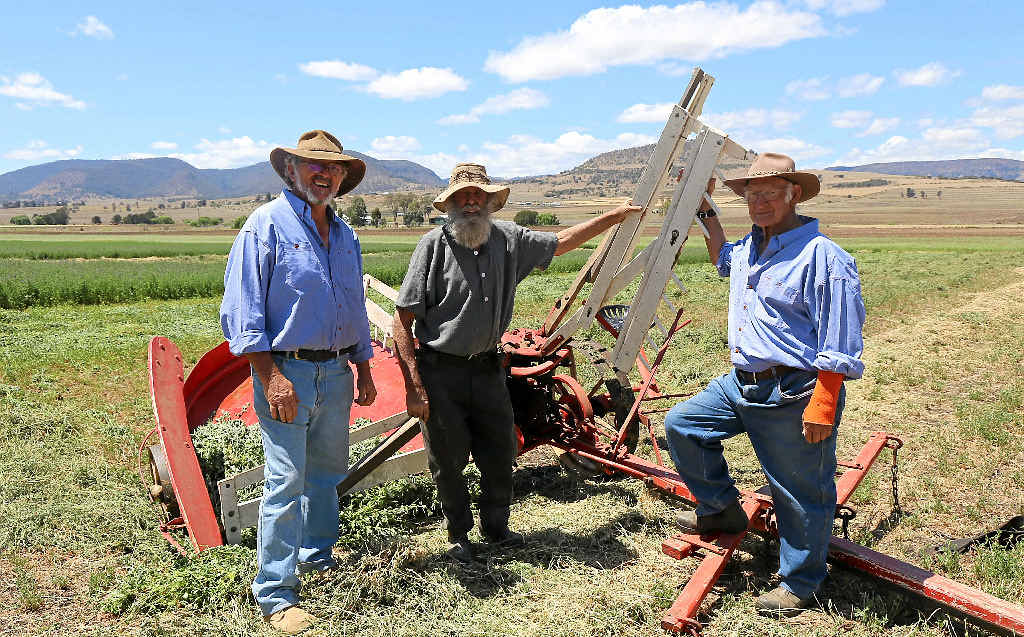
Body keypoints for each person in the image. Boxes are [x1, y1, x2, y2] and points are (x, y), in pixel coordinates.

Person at [392, 163, 641, 563]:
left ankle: (496, 528)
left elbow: (560, 242)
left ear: (490, 202)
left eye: (478, 195)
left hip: (490, 369)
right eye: (462, 196)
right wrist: (413, 386)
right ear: (451, 204)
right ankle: (459, 535)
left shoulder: (508, 240)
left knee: (500, 448)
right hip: (441, 371)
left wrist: (613, 216)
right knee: (448, 459)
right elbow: (401, 322)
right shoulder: (432, 247)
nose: (470, 202)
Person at [664, 153, 865, 615]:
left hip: (794, 390)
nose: (759, 202)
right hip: (741, 383)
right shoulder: (750, 249)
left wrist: (825, 401)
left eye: (770, 193)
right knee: (683, 426)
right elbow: (721, 259)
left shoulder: (823, 257)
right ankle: (720, 510)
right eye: (752, 194)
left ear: (794, 194)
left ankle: (802, 582)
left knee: (800, 493)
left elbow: (840, 335)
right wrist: (705, 209)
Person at [220, 130, 377, 634]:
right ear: (291, 170)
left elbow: (353, 307)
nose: (323, 175)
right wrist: (270, 378)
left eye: (332, 169)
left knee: (326, 473)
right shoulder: (264, 227)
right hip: (286, 370)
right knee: (285, 479)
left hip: (335, 371)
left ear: (342, 179)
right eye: (312, 166)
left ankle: (316, 558)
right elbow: (243, 313)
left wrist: (365, 366)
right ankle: (275, 593)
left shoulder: (346, 235)